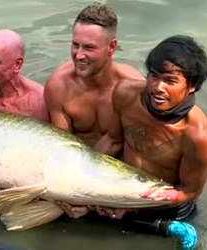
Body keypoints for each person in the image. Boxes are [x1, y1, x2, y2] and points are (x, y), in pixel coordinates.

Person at [43, 3, 144, 218]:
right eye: (75, 45)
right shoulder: (58, 87)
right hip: (77, 175)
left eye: (89, 47)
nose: (79, 55)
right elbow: (62, 151)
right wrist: (74, 197)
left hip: (118, 178)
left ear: (112, 48)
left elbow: (142, 151)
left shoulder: (133, 86)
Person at [102, 35, 207, 222]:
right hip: (121, 192)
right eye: (154, 76)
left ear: (192, 86)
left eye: (170, 81)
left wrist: (132, 205)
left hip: (166, 210)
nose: (158, 87)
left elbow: (188, 191)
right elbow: (112, 141)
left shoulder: (198, 135)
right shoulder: (126, 94)